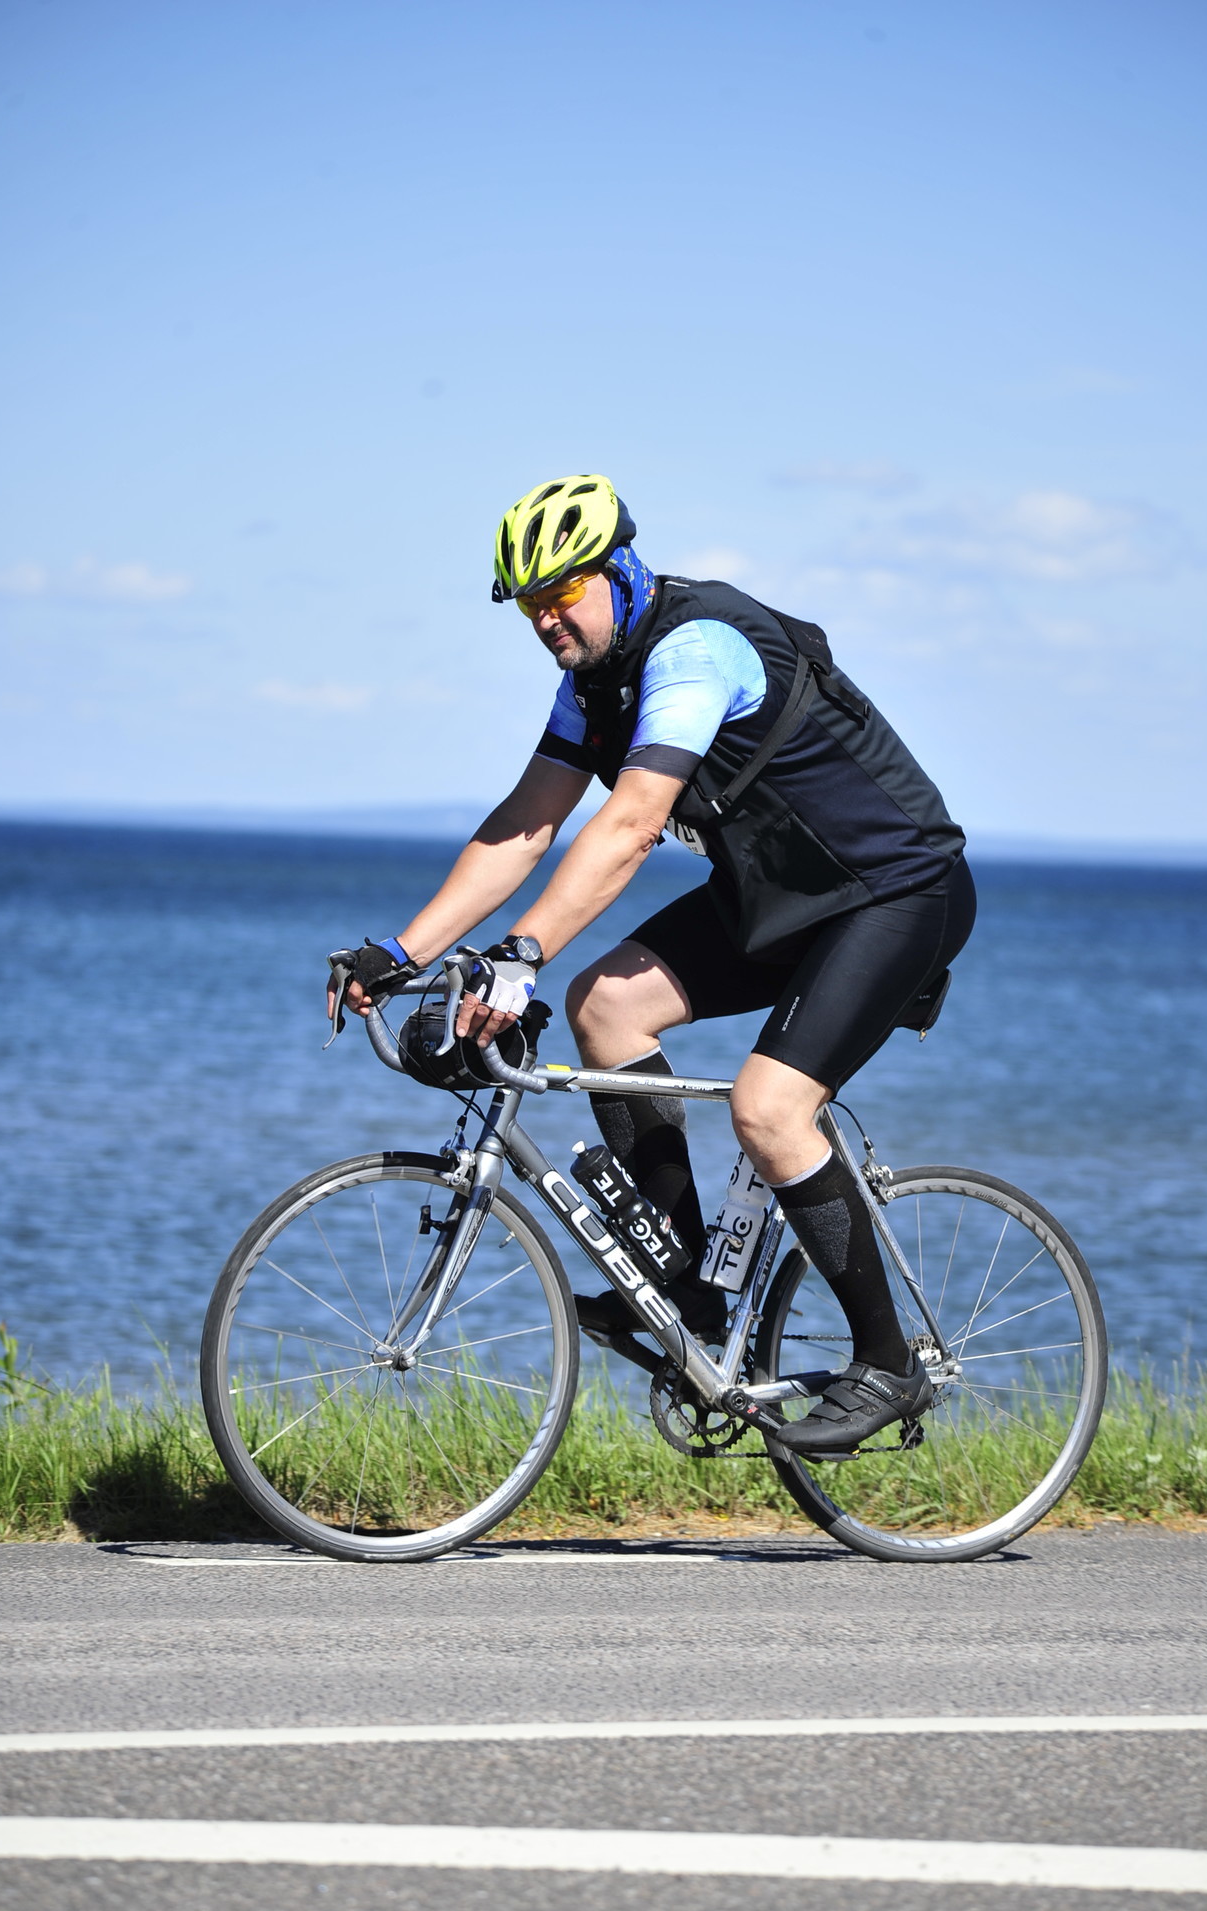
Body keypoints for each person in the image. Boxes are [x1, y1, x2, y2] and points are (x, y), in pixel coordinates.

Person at [330, 474, 976, 1452]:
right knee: (605, 1008)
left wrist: (520, 955)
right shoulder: (593, 684)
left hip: (895, 893)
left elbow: (631, 823)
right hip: (779, 900)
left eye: (563, 592)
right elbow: (526, 824)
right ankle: (687, 1290)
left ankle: (888, 1362)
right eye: (530, 604)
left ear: (620, 568)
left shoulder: (694, 650)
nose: (547, 618)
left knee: (770, 1109)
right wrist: (400, 951)